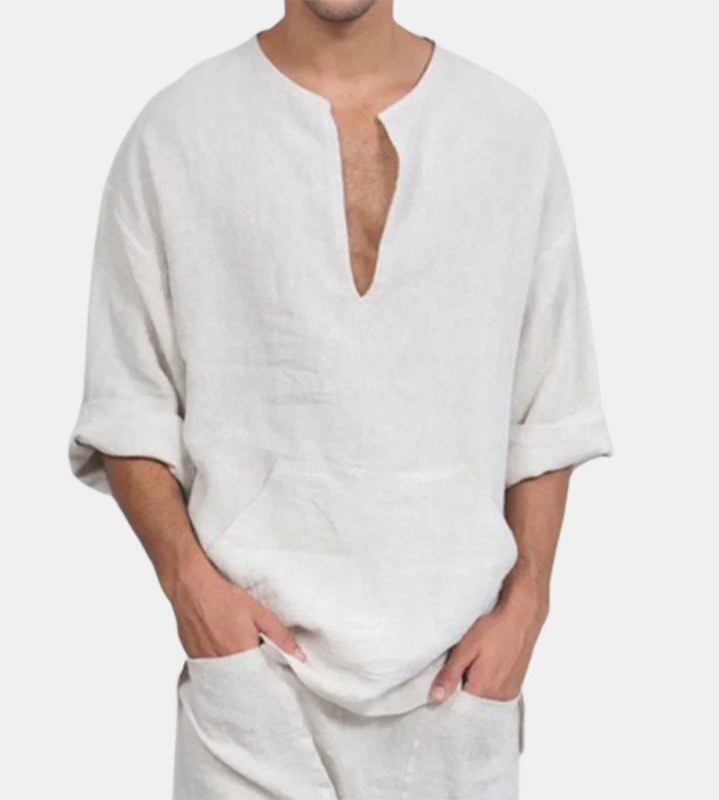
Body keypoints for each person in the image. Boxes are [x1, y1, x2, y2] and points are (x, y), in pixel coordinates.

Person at [67, 1, 614, 797]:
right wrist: (190, 586)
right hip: (251, 690)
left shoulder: (510, 135)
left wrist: (527, 607)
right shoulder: (177, 133)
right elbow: (128, 403)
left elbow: (550, 406)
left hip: (458, 686)